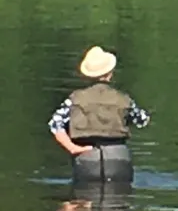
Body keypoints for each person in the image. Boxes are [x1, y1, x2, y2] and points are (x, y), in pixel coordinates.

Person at [50, 46, 149, 183]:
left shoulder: (75, 99)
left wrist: (73, 148)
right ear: (110, 73)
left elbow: (55, 124)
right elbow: (142, 120)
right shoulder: (123, 99)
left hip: (86, 157)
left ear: (87, 76)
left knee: (83, 199)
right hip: (118, 157)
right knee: (119, 200)